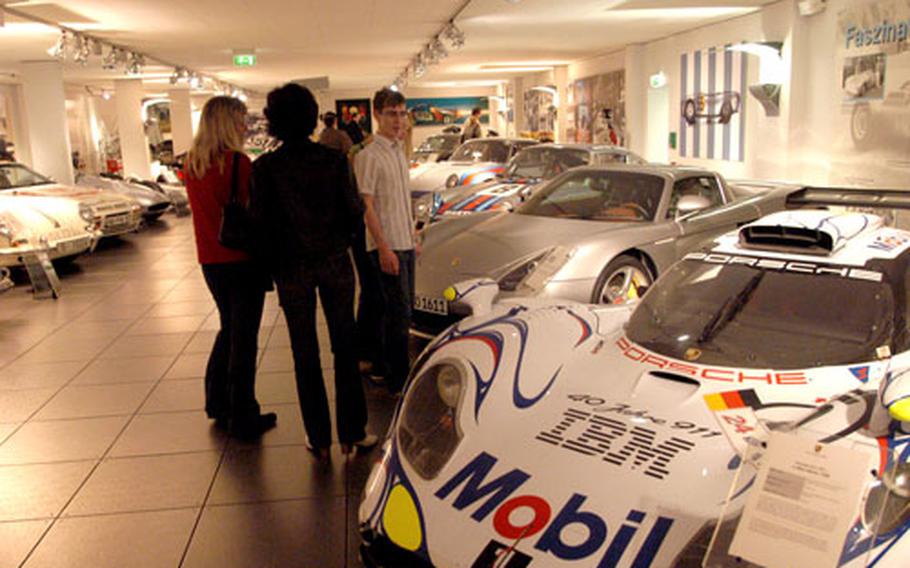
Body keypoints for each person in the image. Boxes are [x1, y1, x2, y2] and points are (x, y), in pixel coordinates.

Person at [251, 83, 375, 458]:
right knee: (345, 346)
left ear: (273, 122)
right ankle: (352, 432)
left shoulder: (265, 168)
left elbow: (261, 224)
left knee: (304, 352)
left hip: (291, 268)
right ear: (311, 117)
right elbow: (354, 213)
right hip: (335, 262)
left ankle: (318, 437)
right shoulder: (334, 162)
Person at [184, 96, 276, 439]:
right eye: (239, 119)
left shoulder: (192, 163)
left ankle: (217, 402)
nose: (244, 126)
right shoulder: (237, 163)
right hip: (242, 261)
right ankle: (243, 412)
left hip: (210, 260)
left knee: (229, 329)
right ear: (225, 122)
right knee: (244, 338)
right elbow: (256, 213)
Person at [354, 88, 417, 394]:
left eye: (402, 113)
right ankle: (396, 379)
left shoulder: (398, 153)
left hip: (405, 243)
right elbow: (366, 205)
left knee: (403, 312)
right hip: (387, 245)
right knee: (396, 313)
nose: (398, 120)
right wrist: (382, 247)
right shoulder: (369, 156)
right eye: (391, 113)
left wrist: (413, 235)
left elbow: (401, 200)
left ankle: (394, 370)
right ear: (377, 115)